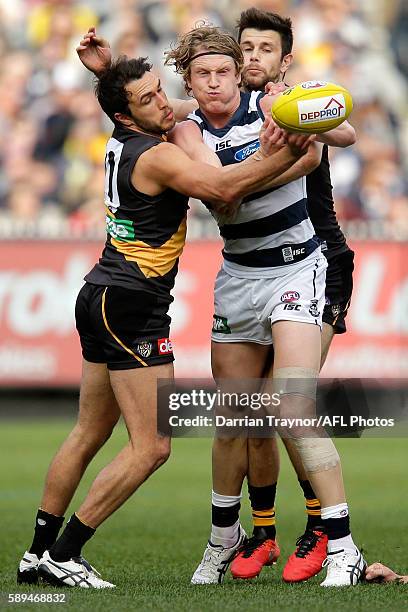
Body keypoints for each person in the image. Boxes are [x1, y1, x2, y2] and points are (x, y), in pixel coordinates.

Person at [17, 55, 312, 589]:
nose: (163, 101)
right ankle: (64, 554)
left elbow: (153, 102)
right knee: (152, 446)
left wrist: (109, 71)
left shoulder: (123, 136)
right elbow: (223, 189)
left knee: (89, 430)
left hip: (101, 295)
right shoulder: (153, 155)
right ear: (125, 115)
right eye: (148, 97)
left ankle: (36, 554)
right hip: (131, 304)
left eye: (158, 89)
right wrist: (291, 151)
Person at [164, 24, 364, 588]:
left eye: (224, 70)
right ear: (191, 80)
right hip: (237, 277)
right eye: (202, 74)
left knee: (292, 406)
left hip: (298, 266)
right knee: (234, 421)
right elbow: (215, 188)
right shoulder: (185, 131)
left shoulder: (275, 103)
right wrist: (264, 163)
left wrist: (290, 142)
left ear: (239, 71)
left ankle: (342, 546)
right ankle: (222, 543)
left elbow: (319, 152)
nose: (216, 82)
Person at [227, 8, 358, 584]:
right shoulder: (223, 107)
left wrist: (300, 112)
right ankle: (264, 533)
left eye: (265, 49)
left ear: (285, 59)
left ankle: (325, 533)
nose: (253, 56)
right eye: (246, 47)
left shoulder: (298, 100)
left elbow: (347, 131)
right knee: (255, 410)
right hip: (253, 271)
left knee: (288, 403)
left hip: (319, 260)